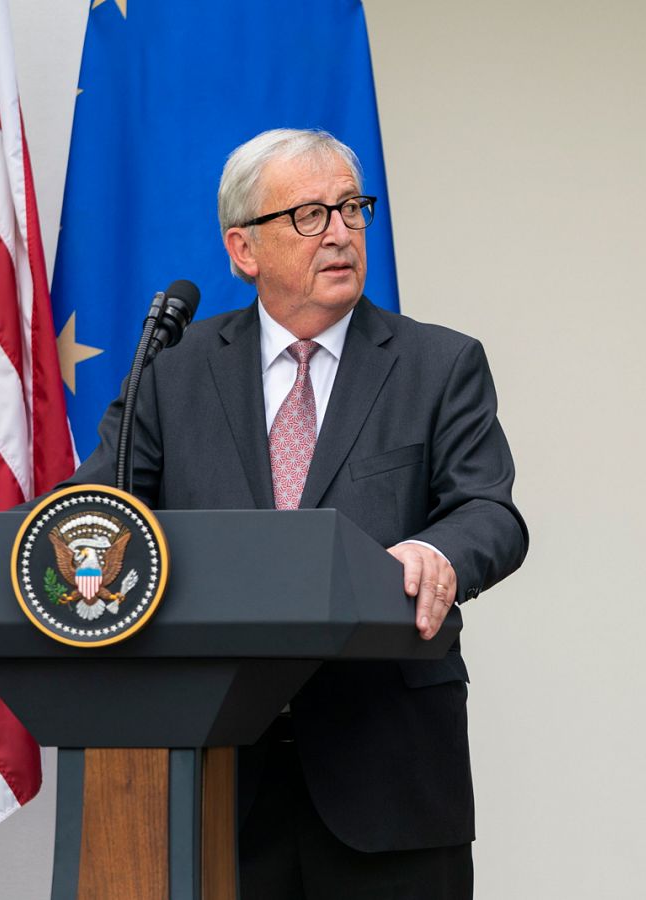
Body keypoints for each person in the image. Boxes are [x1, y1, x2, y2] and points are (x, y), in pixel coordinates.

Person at [55, 128, 527, 899]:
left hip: (387, 776)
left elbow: (489, 511)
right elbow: (95, 517)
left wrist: (438, 555)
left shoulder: (439, 365)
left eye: (351, 209)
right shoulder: (172, 375)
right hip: (212, 778)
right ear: (244, 250)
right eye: (310, 215)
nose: (340, 232)